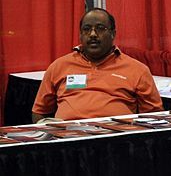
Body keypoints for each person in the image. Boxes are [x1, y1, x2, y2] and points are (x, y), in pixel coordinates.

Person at [32, 8, 163, 122]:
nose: (93, 34)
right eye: (87, 29)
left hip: (115, 138)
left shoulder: (137, 70)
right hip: (68, 138)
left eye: (100, 28)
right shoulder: (59, 66)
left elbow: (155, 117)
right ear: (80, 35)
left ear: (113, 34)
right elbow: (40, 111)